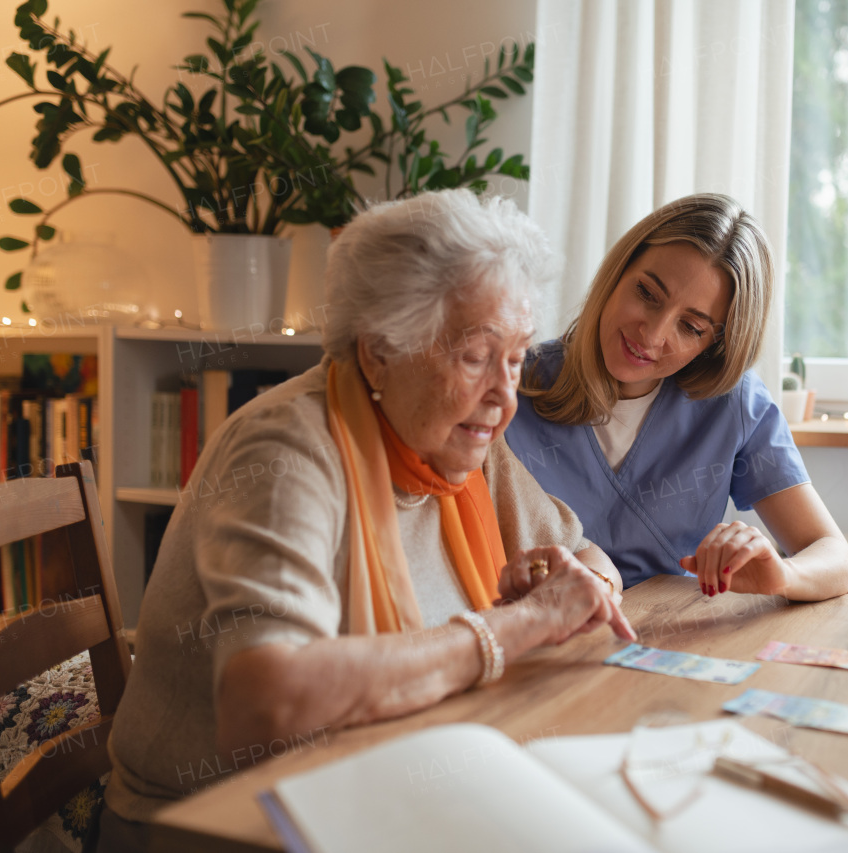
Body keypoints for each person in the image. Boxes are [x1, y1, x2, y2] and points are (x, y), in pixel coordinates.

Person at [99, 190, 634, 851]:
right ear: (380, 351)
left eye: (517, 357)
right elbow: (267, 703)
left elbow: (590, 558)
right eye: (475, 356)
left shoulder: (464, 440)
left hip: (383, 784)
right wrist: (516, 625)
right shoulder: (286, 451)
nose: (504, 395)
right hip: (222, 824)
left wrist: (575, 583)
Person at [505, 193, 848, 601]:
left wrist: (782, 574)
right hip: (540, 636)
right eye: (647, 294)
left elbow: (839, 561)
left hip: (674, 643)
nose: (652, 335)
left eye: (691, 327)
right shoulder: (511, 381)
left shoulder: (733, 405)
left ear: (714, 344)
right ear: (619, 271)